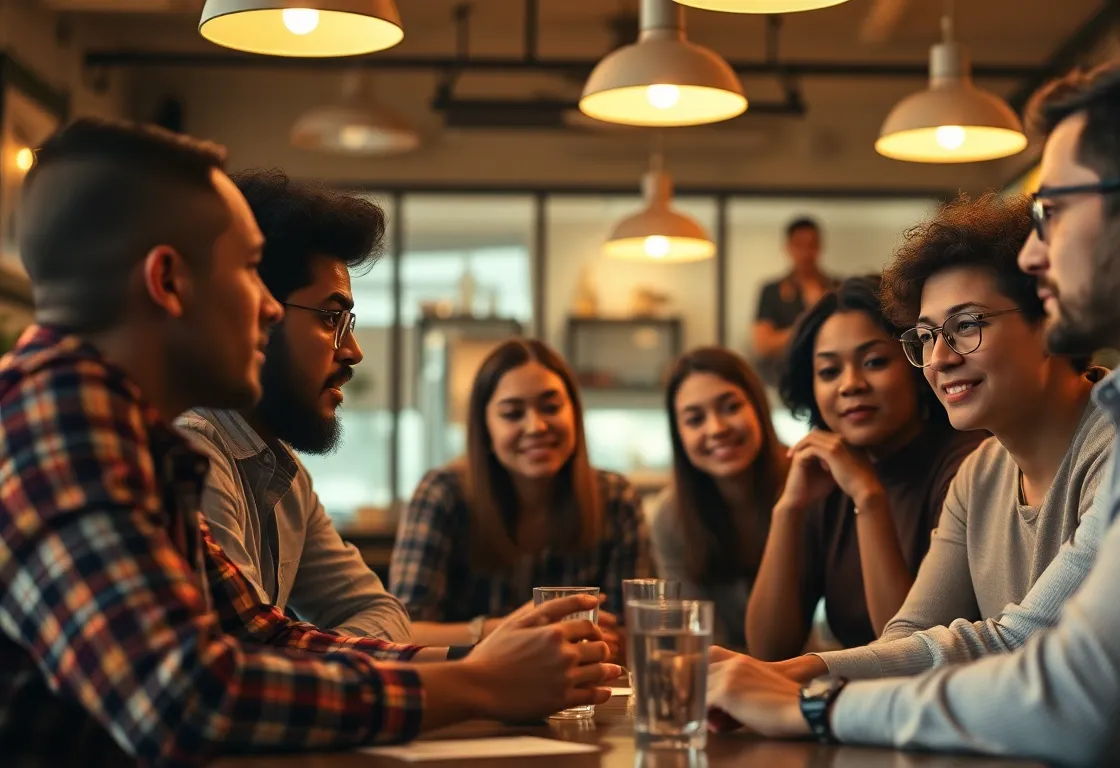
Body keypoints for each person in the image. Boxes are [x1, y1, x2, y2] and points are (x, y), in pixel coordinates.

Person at [706, 47, 1120, 767]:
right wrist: (804, 679)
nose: (1036, 255)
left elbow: (1085, 695)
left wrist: (814, 706)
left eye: (1053, 212)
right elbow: (1019, 636)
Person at [0, 119, 618, 767]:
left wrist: (481, 661)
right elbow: (190, 699)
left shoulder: (129, 431)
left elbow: (265, 635)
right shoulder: (55, 417)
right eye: (246, 271)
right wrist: (481, 681)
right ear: (169, 281)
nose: (268, 310)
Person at [715, 192, 1115, 685]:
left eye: (966, 325)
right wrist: (780, 676)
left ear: (1052, 318)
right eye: (925, 337)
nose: (940, 359)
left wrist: (804, 689)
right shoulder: (981, 473)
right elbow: (911, 634)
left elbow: (1028, 645)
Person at [177, 169, 409, 641]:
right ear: (254, 310)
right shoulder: (192, 449)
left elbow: (380, 610)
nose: (353, 351)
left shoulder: (282, 471)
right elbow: (247, 660)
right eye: (331, 318)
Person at [745, 276, 986, 660]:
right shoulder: (826, 475)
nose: (850, 385)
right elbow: (769, 648)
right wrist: (789, 510)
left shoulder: (970, 464)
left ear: (916, 363)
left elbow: (910, 652)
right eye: (828, 371)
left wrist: (868, 497)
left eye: (873, 362)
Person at [390, 338, 650, 652]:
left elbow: (626, 633)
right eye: (513, 413)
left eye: (551, 407)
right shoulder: (442, 494)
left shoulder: (616, 500)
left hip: (586, 690)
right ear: (485, 428)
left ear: (575, 415)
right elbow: (403, 631)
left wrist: (611, 637)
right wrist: (511, 630)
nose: (536, 426)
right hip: (469, 691)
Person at [647, 347, 788, 651]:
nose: (717, 428)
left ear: (758, 407)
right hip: (719, 682)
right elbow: (696, 645)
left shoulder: (804, 485)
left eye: (730, 407)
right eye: (695, 419)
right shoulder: (671, 517)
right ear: (679, 434)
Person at [752, 217, 839, 380]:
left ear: (820, 246)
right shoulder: (772, 291)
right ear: (788, 247)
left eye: (812, 245)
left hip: (830, 374)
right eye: (799, 245)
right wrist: (813, 318)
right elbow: (763, 345)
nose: (806, 253)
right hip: (783, 377)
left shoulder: (837, 287)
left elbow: (844, 336)